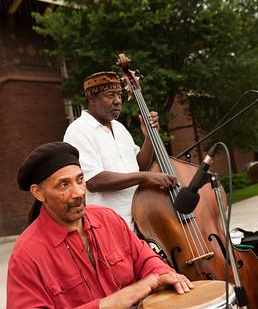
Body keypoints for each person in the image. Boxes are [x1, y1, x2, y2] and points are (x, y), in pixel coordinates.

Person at [6, 142, 193, 309]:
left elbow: (145, 258)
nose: (79, 192)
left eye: (80, 179)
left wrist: (162, 274)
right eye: (64, 184)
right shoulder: (26, 253)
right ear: (38, 193)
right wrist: (100, 308)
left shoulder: (107, 219)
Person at [63, 71, 177, 230]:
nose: (117, 101)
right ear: (91, 98)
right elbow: (94, 181)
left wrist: (150, 137)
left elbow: (139, 167)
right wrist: (147, 177)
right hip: (108, 226)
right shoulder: (78, 130)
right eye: (110, 96)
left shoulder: (120, 128)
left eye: (119, 95)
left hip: (140, 220)